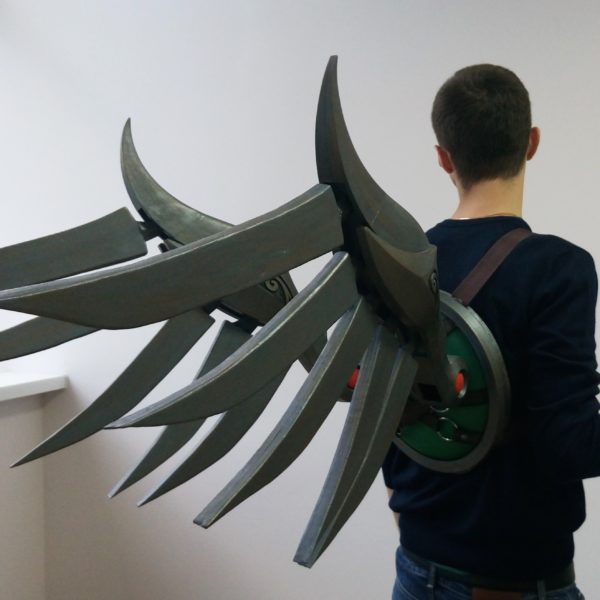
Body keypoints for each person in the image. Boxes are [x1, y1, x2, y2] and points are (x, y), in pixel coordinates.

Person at [382, 64, 600, 599]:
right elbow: (569, 446)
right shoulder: (557, 269)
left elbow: (384, 416)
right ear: (532, 143)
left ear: (444, 157)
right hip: (517, 582)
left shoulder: (397, 264)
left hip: (416, 569)